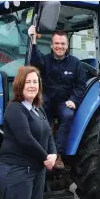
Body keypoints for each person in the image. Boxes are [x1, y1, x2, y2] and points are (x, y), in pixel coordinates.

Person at [0, 66, 57, 199]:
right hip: (17, 171)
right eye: (28, 82)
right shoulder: (15, 109)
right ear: (20, 85)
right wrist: (47, 157)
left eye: (35, 82)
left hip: (36, 171)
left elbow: (48, 134)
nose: (32, 85)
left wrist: (53, 153)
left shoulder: (38, 109)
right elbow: (25, 139)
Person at [28, 25, 87, 168]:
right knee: (36, 112)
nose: (59, 46)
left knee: (68, 115)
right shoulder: (45, 60)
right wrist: (33, 40)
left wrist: (73, 100)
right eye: (56, 43)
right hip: (47, 99)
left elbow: (81, 85)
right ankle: (38, 151)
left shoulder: (75, 63)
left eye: (62, 44)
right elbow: (35, 63)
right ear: (51, 45)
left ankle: (58, 154)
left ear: (67, 46)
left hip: (64, 101)